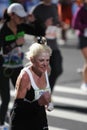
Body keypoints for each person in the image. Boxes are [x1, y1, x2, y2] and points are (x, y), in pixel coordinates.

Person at [0, 2, 45, 128]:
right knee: (5, 98)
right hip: (3, 68)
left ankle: (16, 120)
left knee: (22, 96)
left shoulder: (22, 27)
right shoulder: (2, 30)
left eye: (22, 17)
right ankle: (1, 123)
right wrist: (15, 43)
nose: (21, 19)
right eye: (19, 17)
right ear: (11, 15)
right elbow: (2, 50)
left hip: (17, 67)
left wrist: (34, 21)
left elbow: (40, 32)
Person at [10, 42, 53, 130]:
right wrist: (39, 103)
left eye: (47, 60)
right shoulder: (25, 76)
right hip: (22, 123)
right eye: (41, 60)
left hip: (40, 119)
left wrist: (49, 102)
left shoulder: (45, 70)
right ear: (32, 60)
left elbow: (44, 95)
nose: (45, 64)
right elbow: (17, 108)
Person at [30, 0, 63, 92]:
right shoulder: (37, 9)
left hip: (54, 44)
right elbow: (31, 29)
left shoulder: (55, 7)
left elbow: (56, 21)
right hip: (42, 46)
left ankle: (47, 91)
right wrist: (44, 25)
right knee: (41, 72)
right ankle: (41, 95)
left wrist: (60, 25)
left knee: (58, 69)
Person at [72, 0, 87, 91]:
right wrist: (85, 26)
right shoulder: (81, 9)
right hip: (83, 38)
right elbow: (74, 25)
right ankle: (84, 83)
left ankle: (84, 73)